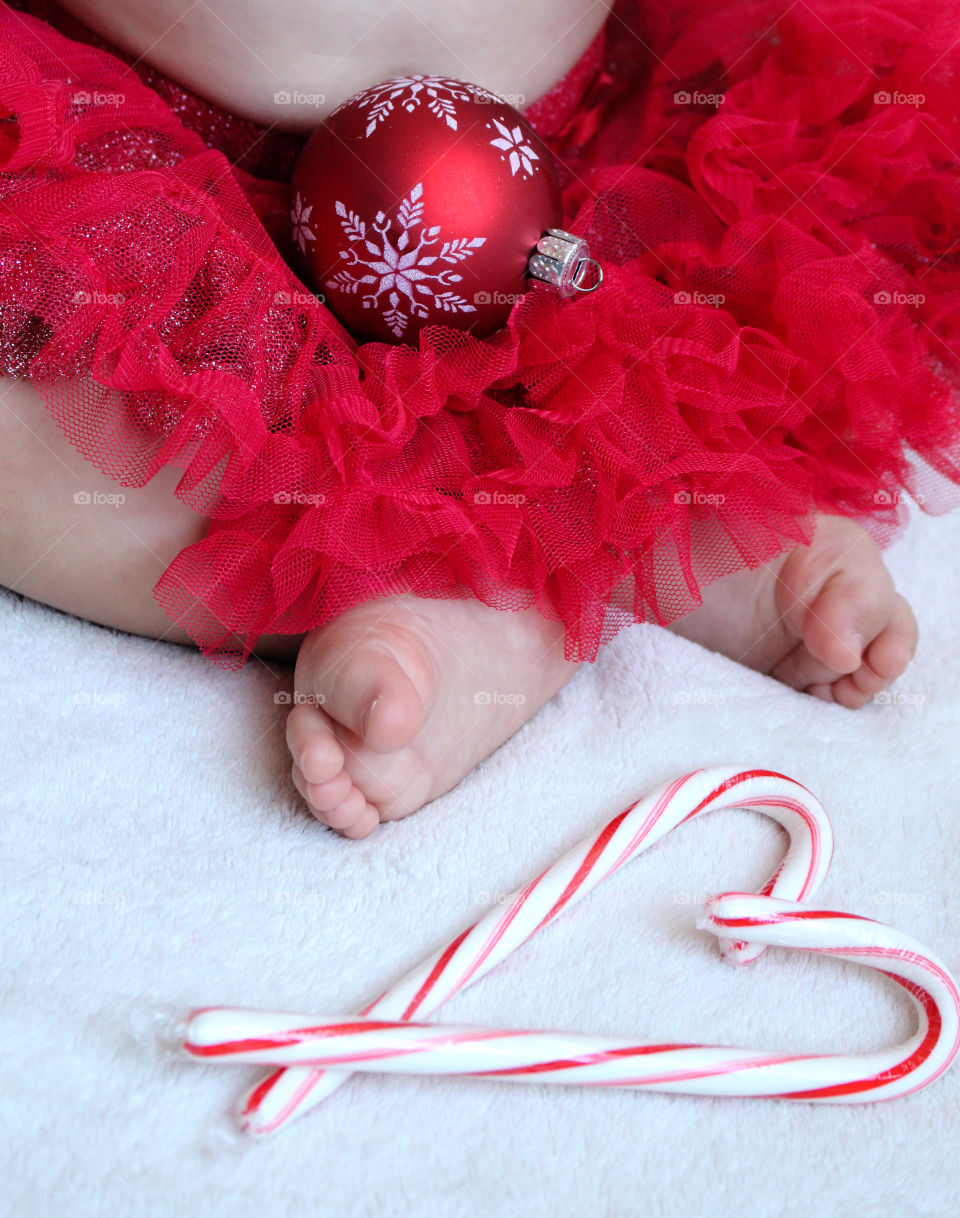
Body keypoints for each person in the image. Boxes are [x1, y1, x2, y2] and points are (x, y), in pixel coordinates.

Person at [2, 0, 954, 839]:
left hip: (575, 170)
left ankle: (667, 508)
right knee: (46, 411)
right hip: (132, 185)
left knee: (680, 313)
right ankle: (436, 574)